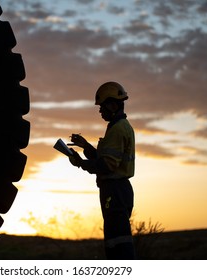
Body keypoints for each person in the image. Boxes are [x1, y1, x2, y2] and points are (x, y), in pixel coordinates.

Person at [68, 81, 136, 259]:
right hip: (117, 190)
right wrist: (85, 146)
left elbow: (107, 166)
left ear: (113, 104)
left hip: (115, 191)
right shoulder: (118, 127)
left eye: (102, 107)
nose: (100, 111)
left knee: (119, 245)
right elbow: (105, 159)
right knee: (116, 243)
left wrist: (81, 163)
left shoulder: (117, 129)